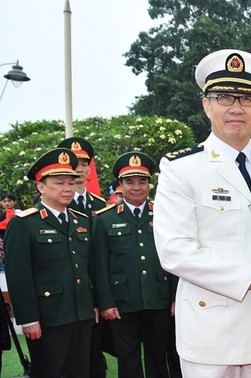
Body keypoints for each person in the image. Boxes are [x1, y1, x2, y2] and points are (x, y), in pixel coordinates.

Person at [153, 49, 251, 377]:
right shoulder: (181, 168)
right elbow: (174, 251)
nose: (236, 107)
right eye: (224, 97)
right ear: (206, 105)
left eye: (247, 98)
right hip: (212, 337)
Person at [4, 147, 96, 378]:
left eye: (71, 183)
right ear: (41, 187)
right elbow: (19, 277)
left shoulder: (81, 221)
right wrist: (29, 319)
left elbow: (88, 268)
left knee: (81, 372)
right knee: (49, 372)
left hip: (81, 315)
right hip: (48, 318)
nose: (67, 188)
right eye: (59, 183)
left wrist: (93, 305)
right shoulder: (24, 224)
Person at [93, 151, 177, 377]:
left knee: (158, 356)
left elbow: (177, 256)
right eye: (130, 182)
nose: (137, 187)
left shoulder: (164, 214)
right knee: (128, 359)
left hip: (158, 297)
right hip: (122, 302)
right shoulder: (104, 219)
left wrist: (174, 297)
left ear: (150, 185)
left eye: (142, 181)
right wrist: (106, 302)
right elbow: (100, 264)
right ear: (120, 185)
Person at [57, 136, 111, 378]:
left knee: (94, 356)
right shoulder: (53, 205)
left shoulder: (101, 206)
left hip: (94, 294)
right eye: (74, 162)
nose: (79, 168)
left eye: (84, 162)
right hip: (63, 296)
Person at [57, 137, 108, 216]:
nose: (80, 170)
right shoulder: (57, 201)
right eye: (75, 165)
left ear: (89, 169)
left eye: (84, 165)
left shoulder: (99, 204)